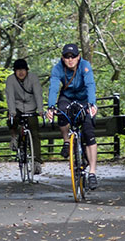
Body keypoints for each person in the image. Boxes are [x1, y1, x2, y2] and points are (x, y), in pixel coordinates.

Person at [45, 42, 99, 190]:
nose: (70, 60)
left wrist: (92, 104)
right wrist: (50, 106)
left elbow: (90, 85)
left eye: (73, 56)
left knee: (88, 132)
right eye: (67, 57)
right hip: (67, 97)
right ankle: (66, 141)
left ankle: (92, 173)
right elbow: (54, 87)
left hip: (84, 99)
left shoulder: (85, 66)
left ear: (78, 56)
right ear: (62, 58)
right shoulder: (57, 68)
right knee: (61, 112)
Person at [5, 58, 44, 175]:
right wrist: (12, 111)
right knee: (12, 120)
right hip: (17, 107)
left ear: (27, 70)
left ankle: (37, 162)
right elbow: (10, 97)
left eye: (23, 70)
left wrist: (41, 110)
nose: (21, 72)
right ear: (14, 71)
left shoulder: (33, 78)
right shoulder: (10, 80)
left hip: (31, 107)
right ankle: (14, 137)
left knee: (35, 133)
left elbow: (38, 94)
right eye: (18, 70)